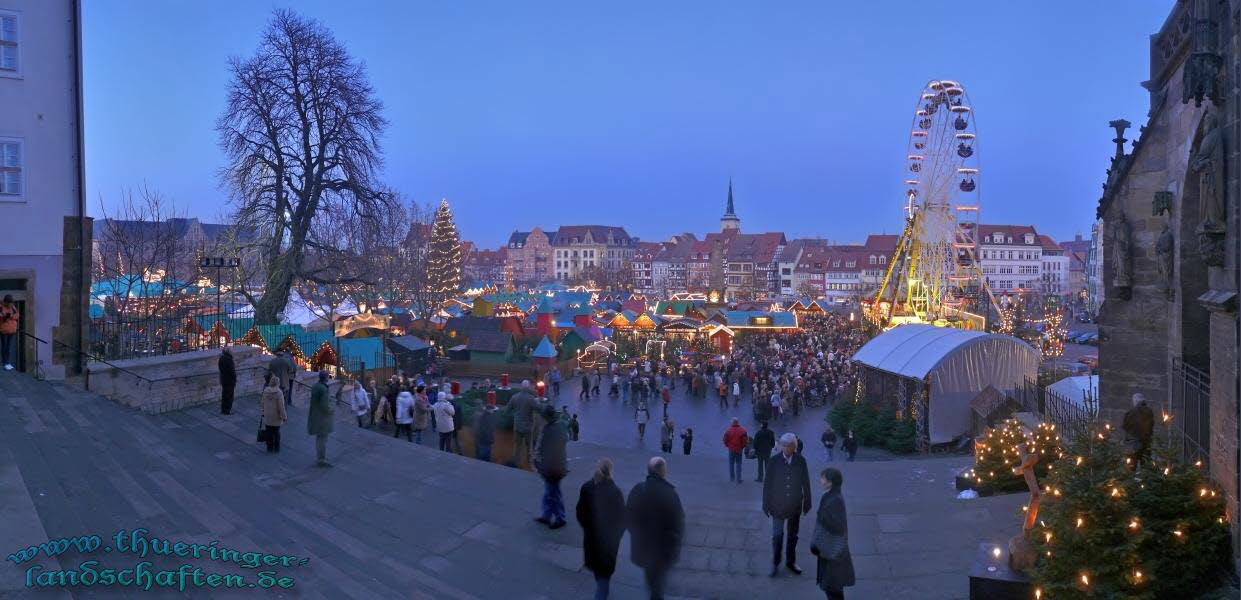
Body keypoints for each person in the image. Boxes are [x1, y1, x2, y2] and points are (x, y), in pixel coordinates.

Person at [626, 457, 684, 600]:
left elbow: (628, 519)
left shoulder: (638, 489)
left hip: (643, 548)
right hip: (662, 550)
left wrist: (638, 534)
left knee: (652, 579)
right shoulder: (670, 494)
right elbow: (678, 524)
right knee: (658, 584)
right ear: (663, 471)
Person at [763, 433, 812, 577]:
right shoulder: (773, 461)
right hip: (777, 505)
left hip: (795, 505)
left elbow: (806, 483)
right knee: (777, 536)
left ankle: (790, 562)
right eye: (783, 445)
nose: (785, 448)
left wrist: (807, 502)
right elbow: (768, 484)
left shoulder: (801, 461)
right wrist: (765, 503)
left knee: (792, 536)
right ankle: (775, 562)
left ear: (794, 447)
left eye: (789, 445)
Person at [576, 458, 626, 600]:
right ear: (611, 472)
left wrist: (588, 529)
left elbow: (580, 514)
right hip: (608, 547)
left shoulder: (587, 488)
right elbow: (622, 521)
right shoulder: (615, 493)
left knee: (599, 576)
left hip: (591, 542)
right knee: (603, 583)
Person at [812, 468, 855, 599]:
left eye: (823, 478)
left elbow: (838, 526)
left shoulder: (835, 500)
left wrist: (822, 516)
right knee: (832, 587)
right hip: (829, 549)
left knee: (832, 588)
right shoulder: (830, 495)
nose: (821, 481)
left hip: (832, 550)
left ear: (830, 482)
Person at [534, 405, 570, 529]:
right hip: (557, 466)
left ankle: (560, 518)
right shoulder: (559, 427)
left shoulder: (549, 430)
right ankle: (547, 515)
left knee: (553, 493)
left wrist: (540, 464)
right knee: (550, 492)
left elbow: (546, 450)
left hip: (552, 468)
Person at [307, 372, 334, 467]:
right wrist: (331, 410)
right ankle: (321, 460)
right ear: (326, 378)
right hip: (322, 418)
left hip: (315, 415)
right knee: (323, 439)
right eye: (328, 377)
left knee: (319, 438)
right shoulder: (323, 389)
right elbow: (325, 406)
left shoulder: (315, 386)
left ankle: (319, 458)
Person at [1122, 392, 1155, 465]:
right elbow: (1150, 427)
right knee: (1146, 468)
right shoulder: (1149, 411)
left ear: (1136, 401)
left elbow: (1125, 426)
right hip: (1146, 443)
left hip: (1133, 444)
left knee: (1130, 468)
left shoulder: (1130, 412)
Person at [510, 381, 536, 468]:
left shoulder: (514, 397)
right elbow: (539, 408)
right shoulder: (531, 398)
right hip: (528, 426)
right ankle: (529, 463)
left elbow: (507, 410)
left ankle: (517, 463)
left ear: (521, 387)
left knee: (517, 446)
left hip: (517, 425)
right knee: (529, 445)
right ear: (528, 388)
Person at [259, 377, 287, 453]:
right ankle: (277, 448)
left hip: (267, 416)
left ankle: (269, 448)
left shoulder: (266, 391)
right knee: (276, 432)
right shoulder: (279, 393)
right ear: (278, 383)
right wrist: (284, 417)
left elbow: (262, 403)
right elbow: (281, 407)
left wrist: (263, 412)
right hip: (276, 417)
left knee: (269, 432)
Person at [723, 418, 749, 484]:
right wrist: (742, 447)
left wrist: (728, 446)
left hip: (731, 449)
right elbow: (745, 441)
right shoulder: (742, 431)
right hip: (739, 449)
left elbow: (725, 440)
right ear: (738, 423)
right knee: (739, 463)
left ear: (732, 423)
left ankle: (732, 478)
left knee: (731, 463)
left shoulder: (728, 430)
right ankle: (739, 478)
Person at [475, 394, 498, 462]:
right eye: (492, 410)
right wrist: (490, 438)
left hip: (484, 438)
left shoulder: (485, 415)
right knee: (484, 452)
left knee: (485, 451)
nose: (493, 411)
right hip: (486, 438)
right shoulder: (486, 417)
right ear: (489, 410)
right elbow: (487, 429)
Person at [0, 294, 18, 370]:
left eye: (12, 303)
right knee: (4, 347)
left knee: (8, 347)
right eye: (10, 303)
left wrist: (10, 316)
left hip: (12, 330)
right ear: (6, 302)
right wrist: (3, 316)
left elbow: (17, 315)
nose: (11, 304)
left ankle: (8, 362)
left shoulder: (13, 307)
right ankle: (5, 362)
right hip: (4, 330)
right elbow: (1, 316)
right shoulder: (1, 307)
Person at [218, 346, 236, 415]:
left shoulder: (221, 358)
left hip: (223, 379)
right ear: (228, 352)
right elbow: (232, 371)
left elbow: (220, 369)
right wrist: (234, 378)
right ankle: (227, 410)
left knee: (224, 395)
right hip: (229, 380)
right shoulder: (229, 359)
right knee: (229, 395)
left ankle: (223, 409)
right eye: (231, 350)